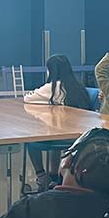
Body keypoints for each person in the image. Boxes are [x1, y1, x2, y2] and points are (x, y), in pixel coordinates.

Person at [24, 54, 91, 191]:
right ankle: (54, 175)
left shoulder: (52, 87)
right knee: (54, 136)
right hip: (76, 137)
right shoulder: (77, 86)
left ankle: (41, 175)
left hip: (59, 135)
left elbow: (28, 98)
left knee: (30, 141)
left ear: (51, 71)